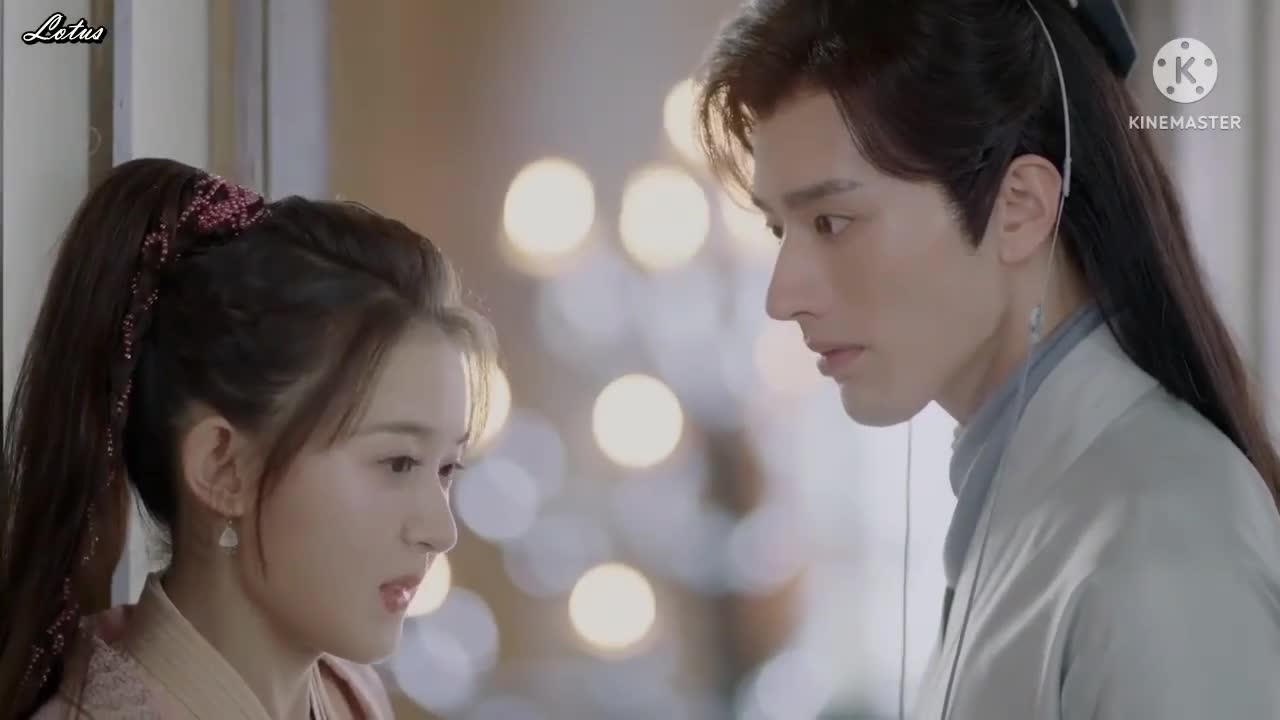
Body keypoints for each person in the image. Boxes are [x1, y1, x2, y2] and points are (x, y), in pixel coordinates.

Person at [695, 1, 1280, 718]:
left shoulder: (1163, 539)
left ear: (1020, 207)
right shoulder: (1032, 506)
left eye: (832, 222)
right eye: (778, 228)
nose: (783, 297)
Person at [0, 158, 496, 719]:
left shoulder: (352, 696)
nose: (441, 532)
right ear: (223, 467)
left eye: (447, 468)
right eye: (399, 462)